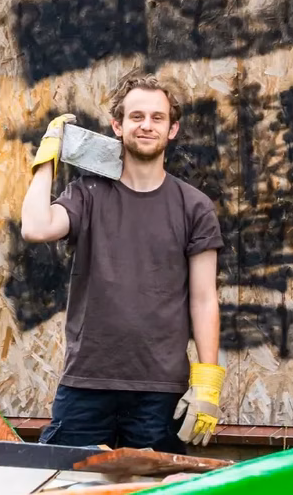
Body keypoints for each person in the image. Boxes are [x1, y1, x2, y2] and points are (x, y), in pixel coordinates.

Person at [20, 71, 225, 454]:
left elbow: (204, 298)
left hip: (160, 390)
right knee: (67, 492)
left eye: (157, 117)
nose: (146, 125)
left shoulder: (194, 206)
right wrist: (47, 156)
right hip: (87, 382)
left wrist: (208, 381)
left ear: (172, 129)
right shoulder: (87, 194)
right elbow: (35, 227)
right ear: (118, 125)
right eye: (136, 117)